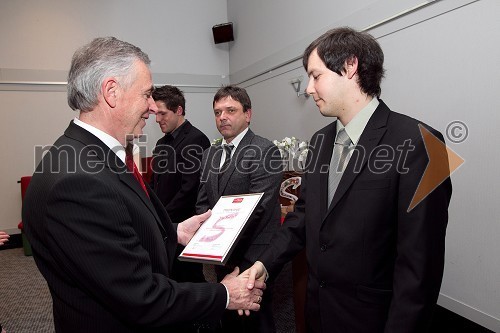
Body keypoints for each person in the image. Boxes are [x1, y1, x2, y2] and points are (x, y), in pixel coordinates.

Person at [22, 37, 265, 333]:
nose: (152, 108)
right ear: (112, 92)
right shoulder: (78, 182)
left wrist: (174, 231)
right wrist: (226, 294)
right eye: (146, 95)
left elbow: (122, 220)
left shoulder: (92, 156)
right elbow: (141, 297)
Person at [244, 27, 452, 333]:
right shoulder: (319, 141)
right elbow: (302, 219)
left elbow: (419, 268)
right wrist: (264, 264)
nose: (308, 89)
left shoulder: (420, 143)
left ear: (350, 66)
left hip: (373, 320)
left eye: (315, 76)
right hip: (317, 313)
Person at [196, 85, 283, 333]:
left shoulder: (264, 150)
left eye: (230, 110)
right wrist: (208, 239)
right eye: (217, 112)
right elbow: (203, 200)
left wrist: (220, 241)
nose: (222, 117)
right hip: (220, 253)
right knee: (230, 318)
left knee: (257, 318)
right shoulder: (209, 154)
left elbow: (258, 209)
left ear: (248, 114)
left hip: (253, 254)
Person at [150, 85, 210, 283]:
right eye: (155, 114)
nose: (157, 119)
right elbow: (156, 182)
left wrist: (163, 218)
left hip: (184, 223)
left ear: (179, 110)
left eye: (162, 113)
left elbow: (190, 190)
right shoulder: (161, 144)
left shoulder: (196, 139)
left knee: (189, 278)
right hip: (166, 223)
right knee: (169, 277)